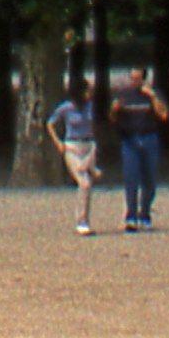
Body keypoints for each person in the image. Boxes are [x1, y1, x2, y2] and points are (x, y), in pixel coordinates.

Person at [110, 66, 167, 231]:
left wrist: (153, 97)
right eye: (132, 78)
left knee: (149, 180)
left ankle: (145, 214)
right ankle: (131, 216)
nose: (134, 82)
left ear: (144, 79)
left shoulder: (152, 95)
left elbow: (163, 115)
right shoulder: (123, 94)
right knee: (131, 178)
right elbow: (112, 118)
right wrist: (114, 110)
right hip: (129, 140)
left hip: (149, 138)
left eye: (138, 79)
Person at [45, 78, 102, 234]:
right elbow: (50, 123)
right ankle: (81, 221)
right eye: (87, 90)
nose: (89, 94)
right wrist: (58, 143)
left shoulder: (91, 107)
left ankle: (91, 167)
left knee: (87, 184)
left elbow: (93, 125)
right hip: (73, 146)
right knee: (84, 183)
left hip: (88, 146)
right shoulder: (66, 108)